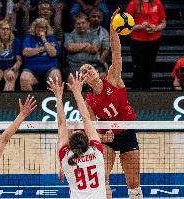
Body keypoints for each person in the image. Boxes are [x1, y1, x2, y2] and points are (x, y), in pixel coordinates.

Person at [79, 8, 142, 199]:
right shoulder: (89, 100)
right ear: (83, 81)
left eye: (89, 68)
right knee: (102, 179)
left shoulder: (113, 79)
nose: (88, 70)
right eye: (83, 71)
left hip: (126, 132)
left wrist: (113, 28)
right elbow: (89, 125)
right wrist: (100, 137)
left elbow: (116, 52)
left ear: (96, 71)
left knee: (134, 185)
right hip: (107, 138)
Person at [47, 73, 106, 199]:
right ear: (88, 141)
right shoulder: (96, 151)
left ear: (70, 145)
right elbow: (86, 118)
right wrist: (77, 92)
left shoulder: (66, 157)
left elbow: (62, 123)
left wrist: (58, 96)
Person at [126, 0, 166, 89]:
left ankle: (147, 93)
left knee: (149, 68)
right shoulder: (132, 4)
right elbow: (126, 26)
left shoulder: (158, 3)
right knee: (138, 68)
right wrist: (140, 26)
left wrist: (155, 28)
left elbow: (163, 23)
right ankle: (135, 92)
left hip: (154, 40)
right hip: (137, 41)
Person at [20, 17, 61, 91]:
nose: (40, 30)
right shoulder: (29, 38)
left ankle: (56, 102)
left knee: (56, 77)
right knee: (24, 79)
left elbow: (53, 53)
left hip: (50, 68)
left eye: (43, 28)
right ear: (34, 29)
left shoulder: (51, 38)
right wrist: (44, 48)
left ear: (46, 29)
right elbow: (26, 52)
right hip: (31, 69)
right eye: (38, 27)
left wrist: (44, 39)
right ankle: (30, 102)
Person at [64, 12, 100, 84]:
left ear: (87, 23)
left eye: (83, 23)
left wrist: (77, 47)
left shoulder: (94, 36)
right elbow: (70, 48)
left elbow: (94, 49)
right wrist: (87, 45)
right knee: (72, 80)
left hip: (91, 66)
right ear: (74, 25)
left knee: (101, 78)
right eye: (78, 23)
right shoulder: (69, 36)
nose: (81, 25)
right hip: (74, 67)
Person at [0, 20, 22, 91]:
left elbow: (19, 60)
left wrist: (12, 70)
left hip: (10, 67)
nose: (5, 31)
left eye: (7, 29)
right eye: (3, 29)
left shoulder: (16, 41)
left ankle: (7, 102)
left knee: (10, 83)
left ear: (10, 31)